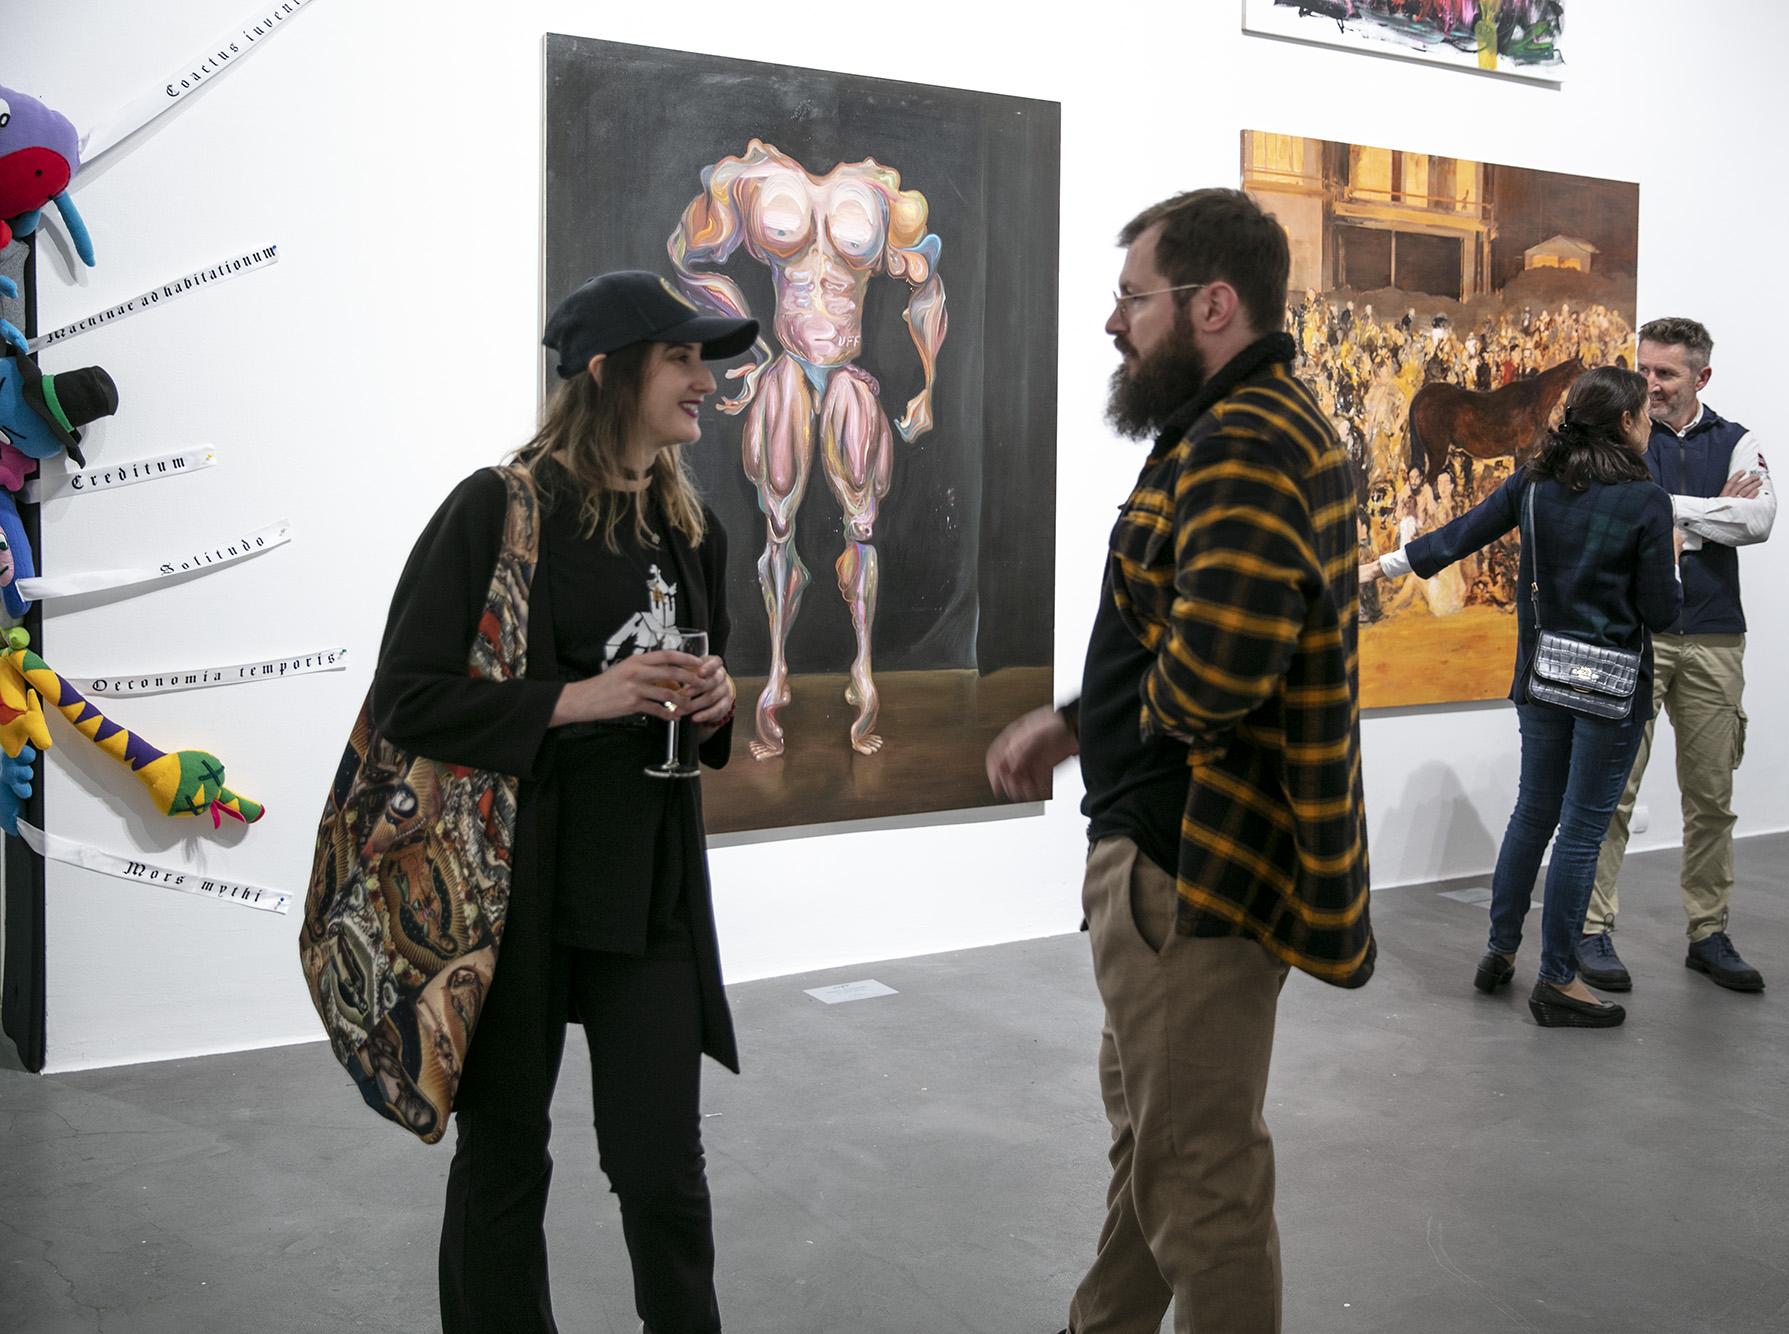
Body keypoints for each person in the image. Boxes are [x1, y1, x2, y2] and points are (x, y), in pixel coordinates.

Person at [986, 188, 1373, 1334]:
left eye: (1131, 298)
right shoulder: (1230, 427)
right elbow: (1178, 633)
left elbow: (1214, 671)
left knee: (1199, 1176)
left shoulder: (1246, 440)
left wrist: (1111, 729)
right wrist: (1077, 722)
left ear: (1211, 305)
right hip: (1177, 850)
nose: (1114, 322)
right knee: (1156, 1144)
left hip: (1190, 865)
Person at [373, 270, 752, 1332]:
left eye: (705, 361)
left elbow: (701, 700)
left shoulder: (692, 528)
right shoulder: (497, 509)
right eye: (680, 358)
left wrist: (716, 702)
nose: (704, 381)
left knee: (662, 1168)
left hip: (647, 892)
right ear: (605, 370)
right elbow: (407, 699)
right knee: (504, 1154)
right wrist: (581, 698)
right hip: (515, 897)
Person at [1364, 366, 1681, 1029]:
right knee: (1582, 830)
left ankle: (1500, 951)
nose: (1651, 425)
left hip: (1540, 677)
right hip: (1609, 687)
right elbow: (1661, 612)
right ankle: (1559, 979)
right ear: (1626, 422)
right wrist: (1673, 556)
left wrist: (1383, 566)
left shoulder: (1536, 483)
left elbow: (1457, 537)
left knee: (1533, 813)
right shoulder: (1646, 502)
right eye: (1646, 415)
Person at [667, 139, 948, 760]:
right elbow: (689, 258)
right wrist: (750, 346)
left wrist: (927, 386)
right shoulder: (754, 184)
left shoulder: (878, 199)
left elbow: (927, 284)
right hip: (788, 367)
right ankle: (775, 676)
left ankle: (863, 675)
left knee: (862, 526)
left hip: (846, 371)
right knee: (778, 524)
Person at [1580, 318, 1776, 995]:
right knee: (1612, 793)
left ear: (1702, 376)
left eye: (1665, 372)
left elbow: (1758, 521)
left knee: (1712, 798)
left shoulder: (1737, 439)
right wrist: (1710, 510)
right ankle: (1591, 928)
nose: (1650, 383)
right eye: (1644, 369)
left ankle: (1708, 933)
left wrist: (1666, 513)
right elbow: (1615, 513)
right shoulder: (1621, 435)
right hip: (1635, 634)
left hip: (1716, 636)